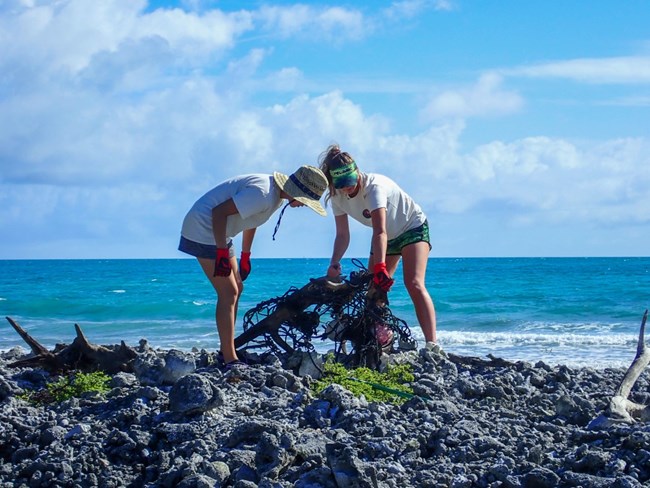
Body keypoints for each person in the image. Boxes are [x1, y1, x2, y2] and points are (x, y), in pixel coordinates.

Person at [179, 165, 328, 368]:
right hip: (203, 228)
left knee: (237, 288)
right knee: (228, 293)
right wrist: (222, 252)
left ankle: (227, 349)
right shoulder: (263, 194)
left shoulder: (276, 195)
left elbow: (251, 221)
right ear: (297, 193)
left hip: (222, 234)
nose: (304, 206)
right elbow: (218, 212)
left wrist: (245, 256)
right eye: (305, 202)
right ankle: (229, 358)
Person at [318, 144, 437, 346]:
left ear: (357, 172)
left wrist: (381, 267)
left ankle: (432, 346)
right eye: (342, 184)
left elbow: (380, 230)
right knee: (374, 290)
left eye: (351, 181)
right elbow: (342, 234)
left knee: (414, 283)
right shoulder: (337, 196)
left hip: (412, 227)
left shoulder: (374, 188)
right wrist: (334, 262)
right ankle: (379, 342)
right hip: (385, 237)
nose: (348, 187)